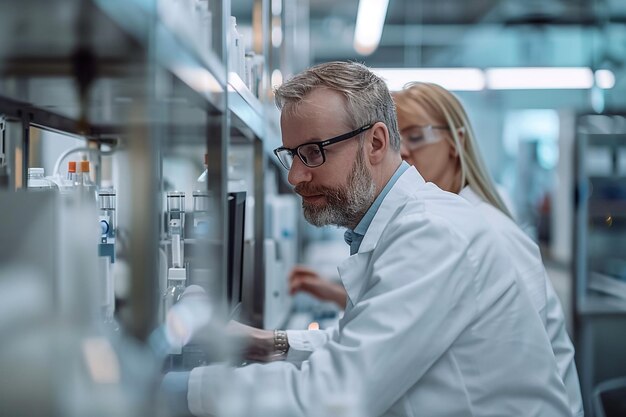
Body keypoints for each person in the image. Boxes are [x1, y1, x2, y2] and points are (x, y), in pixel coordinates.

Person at [164, 62, 572, 417]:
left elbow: (331, 397)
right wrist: (271, 344)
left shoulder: (432, 235)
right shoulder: (401, 226)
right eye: (291, 155)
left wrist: (178, 392)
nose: (295, 176)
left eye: (313, 151)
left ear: (375, 142)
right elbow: (363, 343)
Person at [283, 81, 583, 417]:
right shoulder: (420, 222)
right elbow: (391, 335)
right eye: (400, 136)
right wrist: (279, 343)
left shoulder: (470, 229)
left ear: (457, 143)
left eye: (415, 136)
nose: (404, 151)